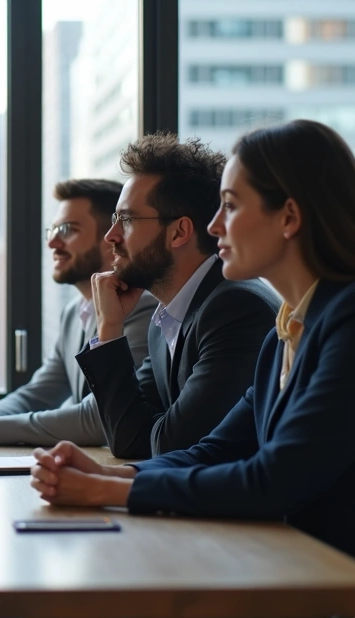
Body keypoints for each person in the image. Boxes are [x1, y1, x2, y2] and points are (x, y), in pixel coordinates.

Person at [31, 119, 355, 618]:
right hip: (315, 566)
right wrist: (109, 478)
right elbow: (213, 450)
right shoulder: (286, 332)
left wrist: (110, 492)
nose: (214, 225)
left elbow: (274, 478)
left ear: (288, 217)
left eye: (231, 206)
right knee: (88, 607)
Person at [75, 134, 278, 459]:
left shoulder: (236, 309)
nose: (110, 237)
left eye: (126, 220)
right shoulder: (166, 320)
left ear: (180, 232)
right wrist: (110, 328)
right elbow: (130, 440)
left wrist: (111, 332)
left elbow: (172, 446)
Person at [0, 179, 155, 446]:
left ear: (110, 238)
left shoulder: (144, 310)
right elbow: (37, 395)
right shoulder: (73, 313)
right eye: (53, 231)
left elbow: (98, 418)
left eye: (67, 230)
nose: (53, 243)